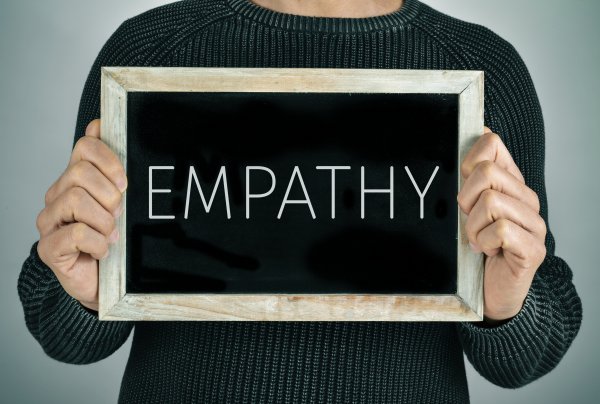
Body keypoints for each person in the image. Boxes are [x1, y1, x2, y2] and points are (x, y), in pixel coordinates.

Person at [18, 0, 582, 402]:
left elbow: (528, 358)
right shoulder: (149, 53)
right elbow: (63, 332)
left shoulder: (483, 71)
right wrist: (84, 292)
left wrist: (510, 303)